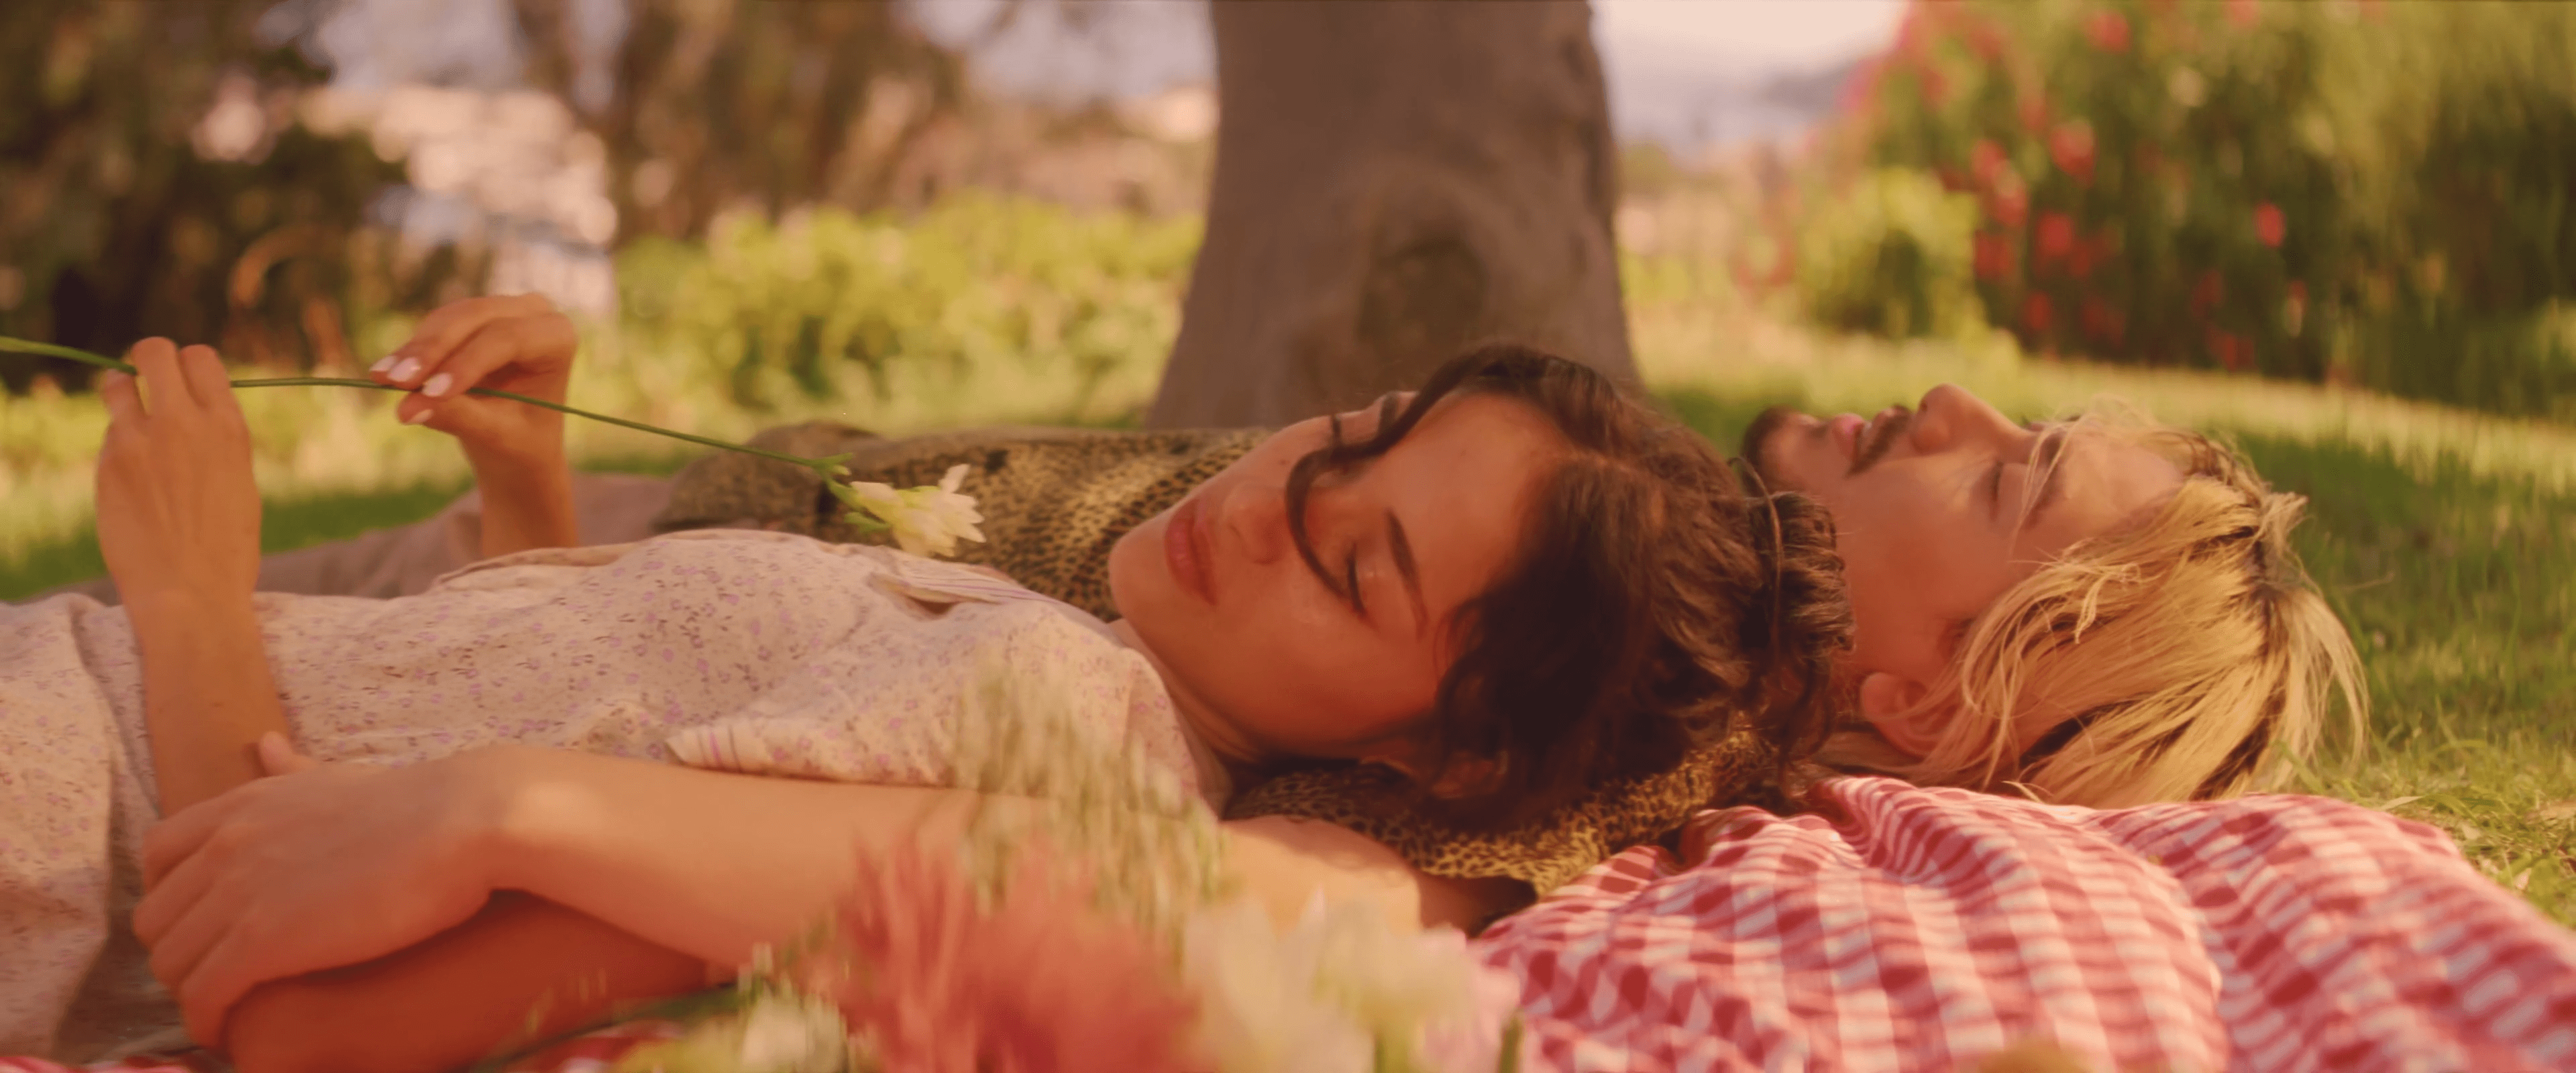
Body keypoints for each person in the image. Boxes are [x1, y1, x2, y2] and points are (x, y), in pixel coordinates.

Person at [0, 302, 1847, 1067]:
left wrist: (187, 597)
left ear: (1436, 754)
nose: (1275, 501)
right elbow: (459, 730)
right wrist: (525, 482)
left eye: (1356, 569)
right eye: (1352, 436)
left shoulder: (1044, 745)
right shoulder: (1051, 661)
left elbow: (296, 1023)